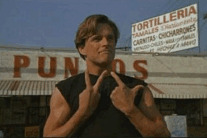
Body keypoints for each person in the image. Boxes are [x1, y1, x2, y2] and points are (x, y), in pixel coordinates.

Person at [43, 14, 171, 137]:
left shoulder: (135, 88)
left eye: (110, 38)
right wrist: (82, 112)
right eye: (97, 39)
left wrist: (131, 110)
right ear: (82, 48)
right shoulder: (66, 89)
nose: (106, 43)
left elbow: (163, 134)